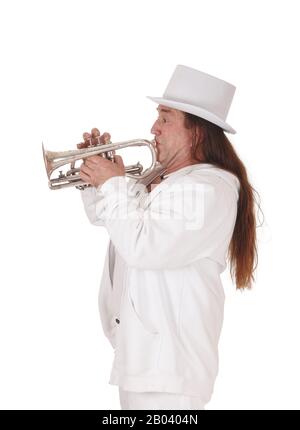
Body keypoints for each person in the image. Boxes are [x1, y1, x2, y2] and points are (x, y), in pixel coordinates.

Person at [78, 65, 258, 410]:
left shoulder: (206, 189)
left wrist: (113, 183)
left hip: (171, 367)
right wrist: (94, 176)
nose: (153, 129)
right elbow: (109, 220)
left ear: (197, 133)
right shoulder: (165, 180)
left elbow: (144, 248)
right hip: (142, 359)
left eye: (165, 118)